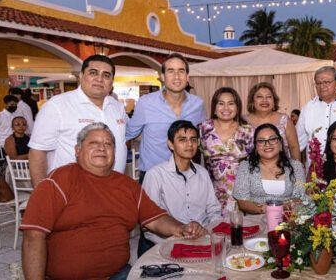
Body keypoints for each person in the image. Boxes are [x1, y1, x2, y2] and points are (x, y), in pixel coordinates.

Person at [20, 123, 205, 280]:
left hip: (119, 274)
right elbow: (33, 238)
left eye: (108, 144)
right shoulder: (58, 181)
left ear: (114, 153)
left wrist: (182, 228)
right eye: (94, 143)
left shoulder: (126, 185)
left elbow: (155, 219)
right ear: (77, 150)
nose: (102, 148)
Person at [28, 54, 128, 186]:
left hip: (113, 187)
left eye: (106, 75)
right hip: (71, 190)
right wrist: (41, 194)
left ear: (111, 82)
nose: (99, 79)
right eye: (93, 73)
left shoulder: (117, 107)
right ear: (81, 76)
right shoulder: (57, 106)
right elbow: (37, 151)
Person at [126, 53, 205, 183]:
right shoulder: (146, 103)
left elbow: (201, 136)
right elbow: (128, 133)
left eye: (181, 71)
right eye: (171, 71)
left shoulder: (198, 104)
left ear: (187, 77)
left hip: (187, 175)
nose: (176, 76)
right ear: (162, 77)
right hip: (153, 176)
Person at [143, 121, 221, 247]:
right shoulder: (155, 175)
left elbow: (214, 210)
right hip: (170, 243)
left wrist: (209, 235)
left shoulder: (202, 173)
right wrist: (175, 241)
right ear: (171, 144)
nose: (189, 144)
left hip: (204, 238)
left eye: (193, 139)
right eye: (182, 140)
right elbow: (149, 223)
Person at [199, 87, 254, 214]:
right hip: (211, 193)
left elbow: (256, 164)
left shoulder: (248, 130)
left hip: (243, 196)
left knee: (242, 230)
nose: (226, 108)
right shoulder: (203, 129)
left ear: (238, 106)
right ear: (214, 106)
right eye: (221, 103)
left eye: (231, 103)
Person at [232, 123, 306, 214]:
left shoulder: (296, 167)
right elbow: (242, 202)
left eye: (272, 139)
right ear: (255, 147)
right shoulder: (245, 166)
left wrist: (273, 209)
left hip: (289, 220)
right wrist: (263, 209)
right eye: (261, 141)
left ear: (280, 144)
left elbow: (299, 199)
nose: (267, 144)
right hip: (255, 221)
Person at [244, 82, 301, 161]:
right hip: (249, 170)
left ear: (274, 101)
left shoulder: (284, 120)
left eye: (269, 97)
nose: (265, 100)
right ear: (252, 101)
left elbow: (294, 147)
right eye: (259, 97)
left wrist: (298, 170)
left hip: (282, 169)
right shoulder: (243, 121)